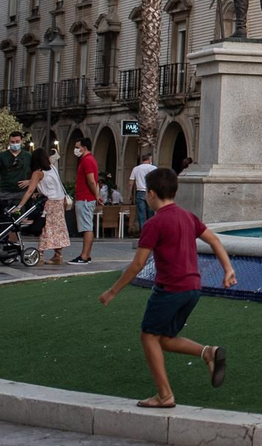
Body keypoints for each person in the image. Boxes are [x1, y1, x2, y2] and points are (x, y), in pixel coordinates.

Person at [99, 167, 237, 408]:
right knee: (163, 338)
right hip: (193, 288)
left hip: (170, 289)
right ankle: (208, 352)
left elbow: (139, 263)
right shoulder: (187, 216)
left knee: (148, 336)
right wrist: (228, 269)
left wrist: (113, 291)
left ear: (150, 194)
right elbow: (214, 240)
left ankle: (165, 395)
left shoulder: (155, 223)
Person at [17, 146, 69, 265]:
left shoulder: (37, 173)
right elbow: (52, 185)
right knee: (58, 228)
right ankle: (58, 255)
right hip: (59, 201)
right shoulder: (53, 168)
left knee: (45, 227)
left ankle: (39, 254)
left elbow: (30, 190)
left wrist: (19, 206)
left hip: (49, 203)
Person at [69, 139, 99, 265]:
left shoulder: (87, 161)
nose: (75, 149)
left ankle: (84, 256)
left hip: (85, 198)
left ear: (84, 147)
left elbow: (91, 180)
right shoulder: (88, 160)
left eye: (77, 147)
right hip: (86, 197)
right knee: (87, 226)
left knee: (87, 227)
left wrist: (96, 196)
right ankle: (86, 254)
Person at [128, 152, 156, 231]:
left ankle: (143, 231)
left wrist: (129, 194)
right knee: (151, 213)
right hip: (150, 192)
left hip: (140, 191)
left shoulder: (136, 169)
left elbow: (131, 183)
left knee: (141, 213)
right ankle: (151, 230)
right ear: (149, 159)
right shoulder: (153, 168)